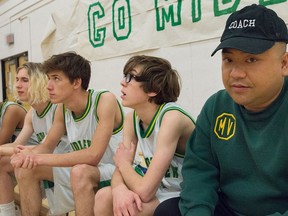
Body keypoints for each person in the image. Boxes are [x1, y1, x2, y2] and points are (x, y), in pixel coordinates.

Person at [178, 4, 288, 216]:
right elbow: (199, 172)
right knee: (167, 210)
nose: (236, 73)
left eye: (251, 59)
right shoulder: (216, 107)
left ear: (284, 64)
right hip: (228, 210)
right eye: (228, 60)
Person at [11, 51, 124, 216]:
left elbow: (94, 155)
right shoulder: (62, 108)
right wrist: (27, 155)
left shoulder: (104, 100)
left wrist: (39, 157)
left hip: (115, 171)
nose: (48, 85)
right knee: (25, 168)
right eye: (49, 78)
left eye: (56, 78)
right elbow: (47, 146)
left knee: (80, 171)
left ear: (77, 82)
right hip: (83, 170)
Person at [93, 55, 196, 216]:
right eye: (124, 76)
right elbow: (120, 169)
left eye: (130, 77)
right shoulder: (131, 118)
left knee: (130, 210)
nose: (122, 82)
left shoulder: (171, 118)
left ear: (153, 89)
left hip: (186, 193)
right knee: (104, 196)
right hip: (163, 189)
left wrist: (123, 163)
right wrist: (120, 189)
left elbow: (145, 190)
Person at [0, 62, 66, 216]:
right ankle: (7, 212)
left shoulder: (57, 107)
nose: (17, 85)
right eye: (16, 80)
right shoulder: (32, 113)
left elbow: (47, 148)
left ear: (39, 81)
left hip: (65, 163)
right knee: (2, 163)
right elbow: (17, 145)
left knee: (24, 166)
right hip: (45, 161)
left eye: (24, 80)